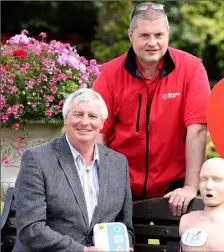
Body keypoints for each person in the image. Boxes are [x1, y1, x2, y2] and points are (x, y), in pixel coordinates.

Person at [93, 2, 210, 216]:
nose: (152, 43)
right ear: (131, 35)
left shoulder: (192, 69)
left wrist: (190, 187)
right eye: (144, 36)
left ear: (168, 34)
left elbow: (198, 130)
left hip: (175, 188)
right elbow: (97, 133)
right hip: (121, 185)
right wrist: (101, 183)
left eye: (158, 35)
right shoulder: (109, 74)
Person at [13, 88, 135, 252]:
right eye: (78, 114)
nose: (85, 122)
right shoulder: (37, 159)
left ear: (102, 123)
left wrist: (125, 247)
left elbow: (125, 226)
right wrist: (81, 250)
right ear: (65, 119)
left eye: (93, 116)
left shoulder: (118, 163)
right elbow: (31, 228)